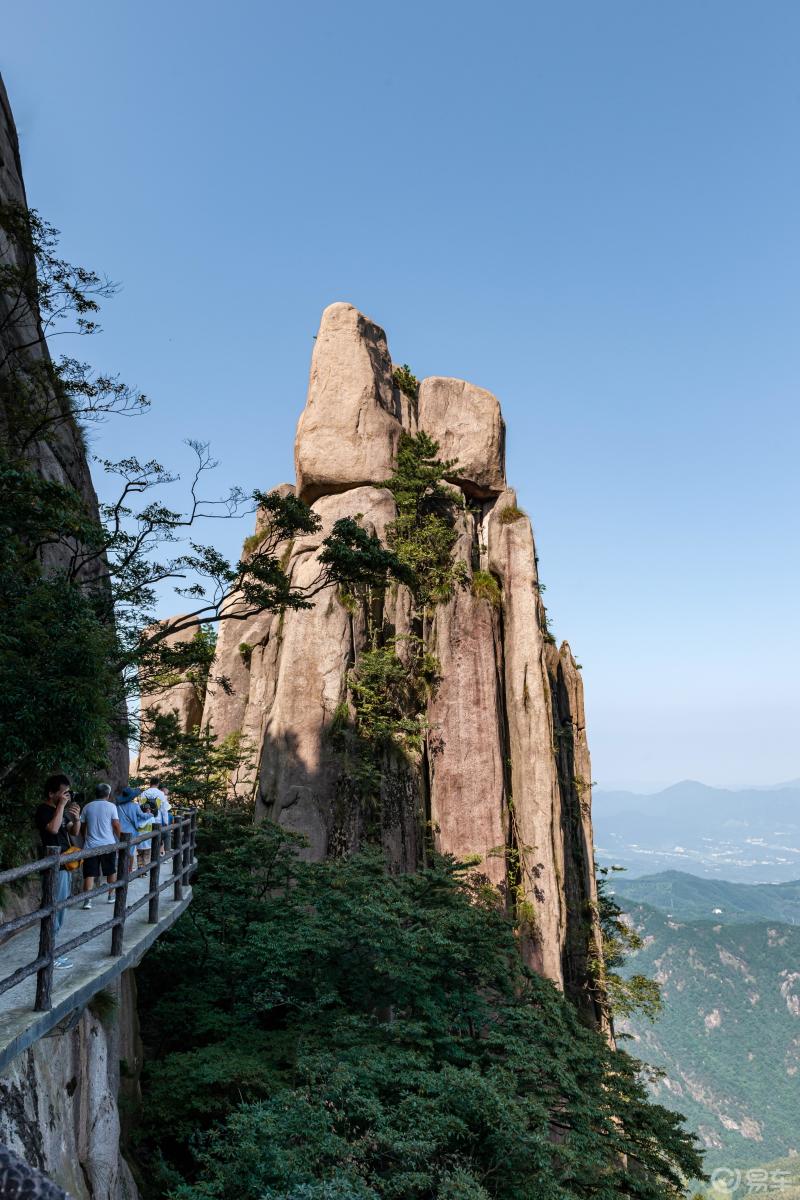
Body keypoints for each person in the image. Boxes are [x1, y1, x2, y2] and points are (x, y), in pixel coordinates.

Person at [33, 774, 81, 968]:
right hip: (54, 868)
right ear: (51, 793)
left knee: (60, 910)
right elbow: (52, 829)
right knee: (54, 911)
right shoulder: (44, 810)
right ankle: (49, 956)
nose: (66, 797)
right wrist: (61, 806)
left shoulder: (58, 810)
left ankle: (51, 953)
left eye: (68, 793)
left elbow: (74, 831)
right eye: (63, 793)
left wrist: (76, 818)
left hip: (64, 866)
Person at [79, 784, 121, 909]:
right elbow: (116, 825)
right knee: (111, 871)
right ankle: (111, 895)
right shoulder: (111, 806)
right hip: (108, 844)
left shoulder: (87, 807)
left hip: (91, 845)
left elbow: (82, 826)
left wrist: (85, 837)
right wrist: (122, 839)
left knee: (89, 873)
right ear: (108, 794)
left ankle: (88, 900)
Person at [116, 786, 156, 859]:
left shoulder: (118, 807)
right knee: (130, 853)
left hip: (119, 832)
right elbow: (143, 816)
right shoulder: (135, 806)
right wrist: (151, 814)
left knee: (120, 852)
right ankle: (129, 866)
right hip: (131, 833)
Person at [141, 777, 172, 852]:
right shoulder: (161, 794)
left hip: (146, 820)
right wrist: (166, 822)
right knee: (157, 838)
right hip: (157, 820)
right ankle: (156, 855)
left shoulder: (144, 793)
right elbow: (164, 809)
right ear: (158, 784)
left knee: (147, 839)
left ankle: (147, 853)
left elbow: (141, 807)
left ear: (150, 783)